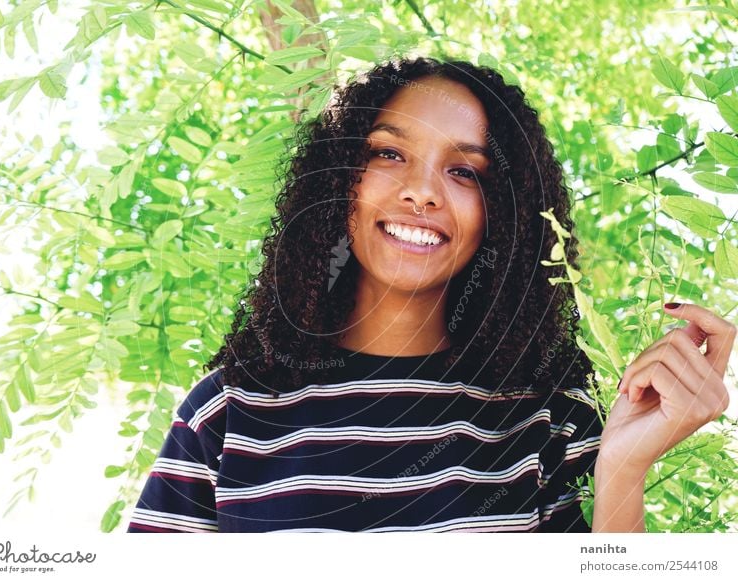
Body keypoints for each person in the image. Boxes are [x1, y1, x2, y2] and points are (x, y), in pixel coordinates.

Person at [125, 56, 735, 533]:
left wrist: (625, 468)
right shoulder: (228, 411)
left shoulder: (547, 415)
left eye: (464, 170)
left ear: (503, 212)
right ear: (342, 179)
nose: (422, 193)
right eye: (389, 153)